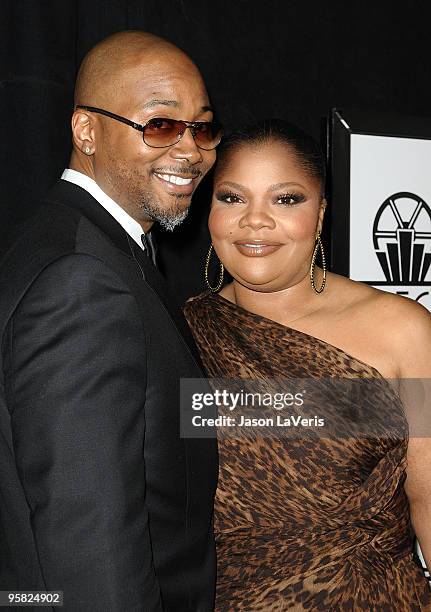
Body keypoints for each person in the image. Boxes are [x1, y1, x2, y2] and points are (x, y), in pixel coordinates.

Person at [0, 31, 220, 611]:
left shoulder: (82, 248)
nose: (192, 150)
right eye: (161, 125)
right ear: (86, 131)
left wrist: (383, 401)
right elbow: (91, 548)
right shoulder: (82, 280)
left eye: (203, 128)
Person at [184, 119, 431, 610]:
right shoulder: (182, 334)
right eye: (232, 197)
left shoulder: (402, 330)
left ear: (320, 215)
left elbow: (428, 495)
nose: (255, 220)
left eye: (286, 199)